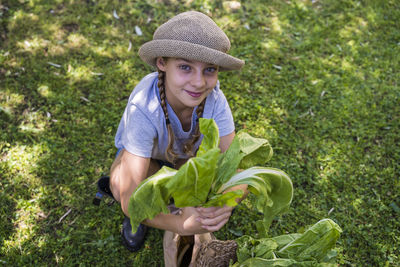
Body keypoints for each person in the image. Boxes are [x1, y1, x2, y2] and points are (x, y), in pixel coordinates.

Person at [97, 10, 246, 252]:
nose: (199, 82)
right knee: (120, 183)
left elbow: (237, 169)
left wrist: (228, 202)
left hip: (188, 164)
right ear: (162, 63)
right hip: (150, 162)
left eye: (209, 69)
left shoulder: (216, 100)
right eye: (185, 67)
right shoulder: (144, 106)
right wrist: (180, 225)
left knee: (215, 176)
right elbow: (128, 196)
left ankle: (176, 206)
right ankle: (152, 218)